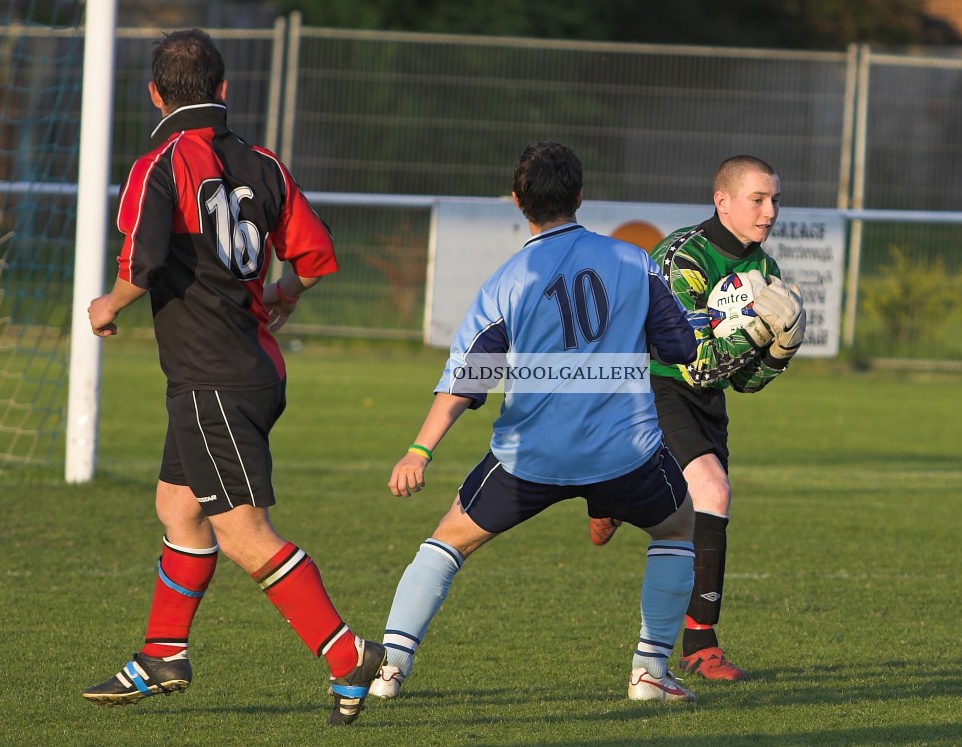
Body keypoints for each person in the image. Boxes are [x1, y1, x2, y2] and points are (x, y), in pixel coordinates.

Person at [82, 29, 383, 727]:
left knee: (245, 532)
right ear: (223, 90)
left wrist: (108, 305)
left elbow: (143, 261)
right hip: (238, 369)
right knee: (179, 506)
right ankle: (162, 652)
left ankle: (347, 656)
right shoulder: (263, 162)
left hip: (214, 377)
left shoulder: (159, 165)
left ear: (154, 94)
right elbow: (312, 255)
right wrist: (283, 294)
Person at [373, 140, 700, 702]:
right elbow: (679, 346)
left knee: (446, 543)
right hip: (625, 454)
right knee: (676, 530)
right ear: (580, 195)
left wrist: (419, 451)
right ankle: (649, 673)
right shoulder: (632, 261)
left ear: (518, 202)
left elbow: (467, 378)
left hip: (531, 459)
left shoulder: (508, 279)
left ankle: (388, 670)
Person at [589, 155, 806, 682]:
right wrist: (758, 332)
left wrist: (781, 351)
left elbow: (742, 382)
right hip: (651, 384)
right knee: (712, 492)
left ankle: (615, 491)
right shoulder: (681, 259)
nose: (770, 211)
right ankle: (700, 646)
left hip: (704, 401)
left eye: (775, 199)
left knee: (689, 507)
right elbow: (697, 364)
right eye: (758, 199)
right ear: (722, 201)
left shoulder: (764, 270)